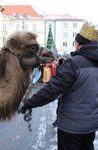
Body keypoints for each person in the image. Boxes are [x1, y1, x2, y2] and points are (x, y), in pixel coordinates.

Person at [18, 21, 98, 150]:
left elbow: (51, 91)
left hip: (71, 128)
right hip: (91, 126)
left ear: (78, 44)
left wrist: (28, 103)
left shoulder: (74, 64)